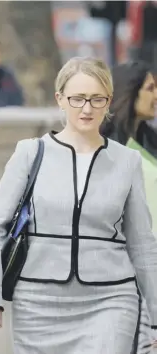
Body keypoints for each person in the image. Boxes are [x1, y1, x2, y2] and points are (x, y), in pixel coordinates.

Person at [0, 56, 157, 354]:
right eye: (77, 98)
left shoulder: (127, 161)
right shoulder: (30, 153)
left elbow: (142, 243)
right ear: (60, 99)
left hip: (111, 298)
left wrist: (155, 314)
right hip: (37, 303)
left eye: (96, 99)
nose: (87, 108)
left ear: (109, 102)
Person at [101, 60, 157, 354]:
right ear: (129, 93)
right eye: (150, 88)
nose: (156, 94)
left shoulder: (150, 140)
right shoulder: (108, 148)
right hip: (126, 271)